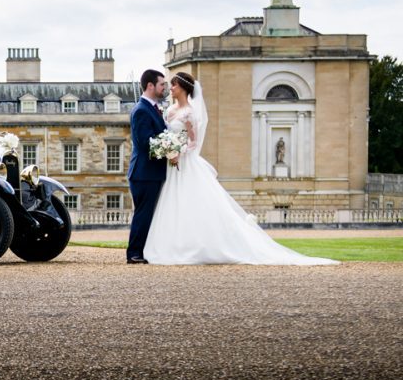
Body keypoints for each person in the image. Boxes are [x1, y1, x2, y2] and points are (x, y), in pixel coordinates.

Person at [144, 72, 337, 266]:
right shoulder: (169, 111)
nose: (171, 89)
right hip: (172, 166)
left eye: (174, 86)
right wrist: (168, 149)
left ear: (183, 88)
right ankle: (176, 245)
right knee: (174, 204)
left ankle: (198, 247)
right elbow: (166, 135)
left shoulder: (189, 113)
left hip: (185, 163)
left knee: (190, 203)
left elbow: (193, 143)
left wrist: (178, 151)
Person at [126, 69, 168, 264]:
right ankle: (134, 253)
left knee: (147, 213)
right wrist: (170, 150)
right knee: (143, 214)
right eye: (162, 84)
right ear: (150, 85)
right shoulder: (142, 109)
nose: (165, 88)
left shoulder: (152, 108)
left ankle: (142, 251)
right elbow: (146, 143)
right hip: (144, 172)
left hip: (151, 172)